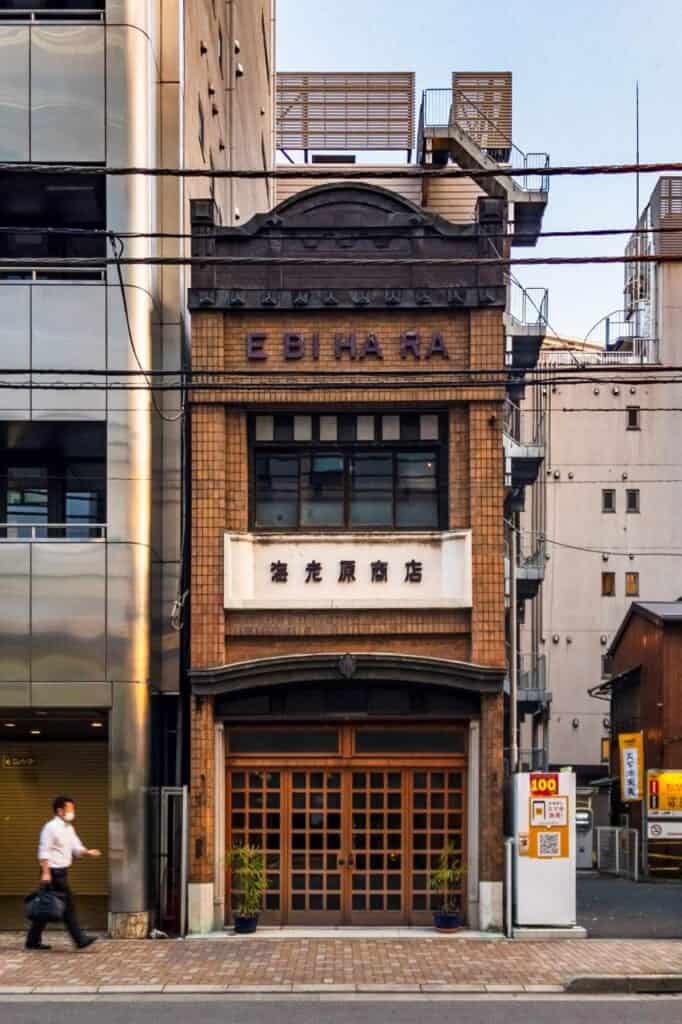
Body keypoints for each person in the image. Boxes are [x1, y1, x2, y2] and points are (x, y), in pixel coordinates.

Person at [26, 795, 102, 951]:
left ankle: (32, 941)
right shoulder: (50, 827)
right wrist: (46, 872)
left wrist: (87, 852)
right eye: (70, 809)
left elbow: (76, 847)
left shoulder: (69, 828)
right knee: (67, 906)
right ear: (60, 811)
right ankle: (80, 939)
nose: (72, 812)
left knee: (46, 904)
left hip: (62, 872)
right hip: (53, 872)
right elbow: (44, 850)